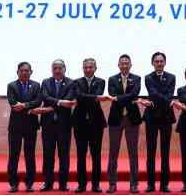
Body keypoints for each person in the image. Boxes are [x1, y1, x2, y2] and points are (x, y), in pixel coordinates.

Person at [105, 54, 151, 194]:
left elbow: (134, 93)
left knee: (133, 153)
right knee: (113, 152)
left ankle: (134, 184)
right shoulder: (112, 79)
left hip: (131, 119)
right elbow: (113, 94)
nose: (124, 65)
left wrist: (119, 98)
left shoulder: (136, 78)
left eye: (127, 63)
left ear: (131, 65)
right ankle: (112, 184)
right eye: (122, 63)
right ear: (118, 65)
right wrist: (129, 98)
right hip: (116, 119)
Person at [38, 59, 77, 192]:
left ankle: (63, 183)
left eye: (60, 68)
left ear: (65, 69)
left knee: (64, 155)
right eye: (55, 68)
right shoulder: (45, 82)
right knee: (48, 154)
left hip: (64, 125)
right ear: (51, 70)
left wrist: (55, 102)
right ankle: (48, 182)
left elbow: (70, 98)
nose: (57, 70)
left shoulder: (71, 83)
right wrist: (60, 102)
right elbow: (44, 97)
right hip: (48, 124)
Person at [72, 58, 110, 193]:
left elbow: (95, 96)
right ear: (82, 69)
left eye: (91, 67)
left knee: (96, 155)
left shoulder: (101, 81)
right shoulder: (76, 82)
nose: (88, 69)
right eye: (86, 67)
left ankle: (96, 184)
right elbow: (80, 96)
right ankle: (81, 184)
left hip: (96, 124)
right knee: (81, 155)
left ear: (95, 68)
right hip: (79, 123)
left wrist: (86, 98)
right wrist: (93, 98)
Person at [142, 52, 178, 193]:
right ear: (152, 63)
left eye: (161, 61)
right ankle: (150, 184)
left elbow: (168, 95)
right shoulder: (148, 77)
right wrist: (167, 101)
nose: (159, 63)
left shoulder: (171, 77)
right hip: (151, 118)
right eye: (156, 61)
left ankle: (164, 184)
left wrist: (155, 101)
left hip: (166, 118)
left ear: (165, 62)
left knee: (165, 152)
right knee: (151, 152)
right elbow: (154, 93)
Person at [6, 62, 42, 193]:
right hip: (15, 126)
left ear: (31, 72)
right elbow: (12, 102)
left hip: (31, 125)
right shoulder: (11, 85)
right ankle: (13, 183)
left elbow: (38, 101)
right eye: (21, 70)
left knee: (30, 155)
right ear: (17, 72)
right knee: (13, 155)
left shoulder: (36, 85)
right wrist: (28, 105)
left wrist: (25, 105)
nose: (24, 73)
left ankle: (29, 183)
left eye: (26, 70)